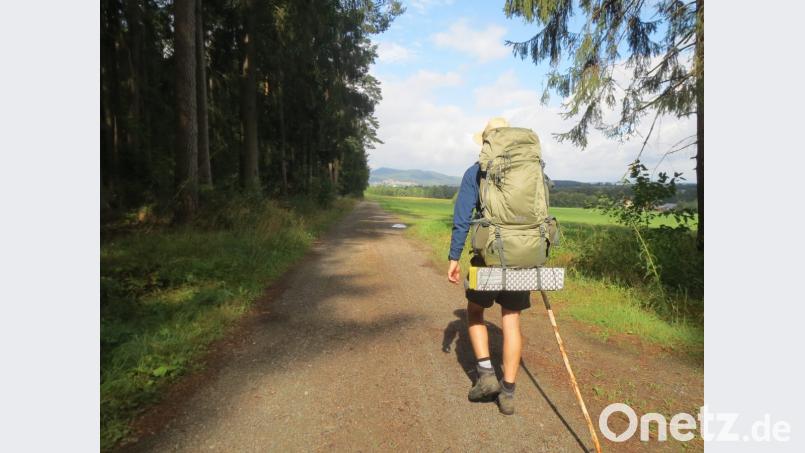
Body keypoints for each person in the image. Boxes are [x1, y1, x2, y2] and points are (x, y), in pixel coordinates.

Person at [446, 117, 531, 416]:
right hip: (523, 255)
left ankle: (486, 377)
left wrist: (454, 257)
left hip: (488, 256)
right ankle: (508, 392)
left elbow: (462, 218)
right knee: (511, 320)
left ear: (486, 142)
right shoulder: (527, 169)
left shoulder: (475, 171)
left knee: (474, 312)